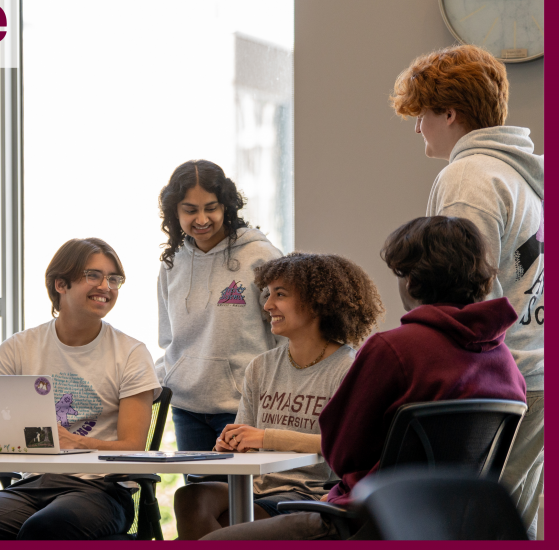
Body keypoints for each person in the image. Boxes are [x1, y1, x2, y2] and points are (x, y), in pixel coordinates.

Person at [202, 217, 527, 540]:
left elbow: (342, 454)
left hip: (364, 520)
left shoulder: (394, 349)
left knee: (211, 543)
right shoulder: (504, 363)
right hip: (447, 525)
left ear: (411, 279)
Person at [390, 45, 543, 537]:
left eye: (422, 115)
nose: (418, 129)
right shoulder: (522, 175)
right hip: (533, 372)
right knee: (516, 522)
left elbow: (458, 290)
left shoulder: (468, 176)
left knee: (470, 529)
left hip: (499, 378)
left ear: (450, 113)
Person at [0, 238, 162, 540]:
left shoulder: (131, 352)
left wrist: (75, 442)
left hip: (102, 489)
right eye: (93, 275)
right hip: (33, 484)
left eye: (114, 279)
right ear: (60, 284)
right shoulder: (19, 347)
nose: (106, 286)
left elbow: (133, 445)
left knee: (45, 529)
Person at [174, 253, 383, 539]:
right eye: (268, 294)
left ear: (317, 301)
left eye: (280, 295)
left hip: (310, 495)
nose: (267, 305)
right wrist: (231, 444)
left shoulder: (348, 368)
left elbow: (347, 447)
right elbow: (245, 441)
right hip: (256, 488)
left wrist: (264, 437)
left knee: (234, 524)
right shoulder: (261, 366)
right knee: (191, 497)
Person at [155, 160, 283, 451]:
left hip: (243, 406)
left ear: (226, 206)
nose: (201, 218)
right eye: (190, 209)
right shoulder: (172, 264)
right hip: (186, 406)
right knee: (197, 494)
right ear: (175, 212)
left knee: (239, 495)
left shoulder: (261, 256)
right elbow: (168, 338)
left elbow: (284, 333)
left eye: (210, 207)